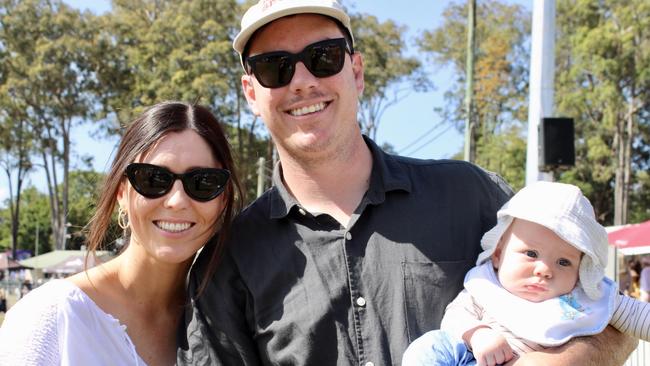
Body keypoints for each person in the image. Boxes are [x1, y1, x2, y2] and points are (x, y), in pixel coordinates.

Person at [177, 1, 636, 364]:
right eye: (274, 67)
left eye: (323, 58)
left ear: (355, 71)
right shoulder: (230, 258)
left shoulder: (471, 195)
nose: (301, 81)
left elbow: (612, 319)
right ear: (251, 92)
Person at [0, 101, 242, 365]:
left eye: (202, 183)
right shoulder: (54, 317)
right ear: (121, 193)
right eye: (153, 179)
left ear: (223, 199)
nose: (177, 201)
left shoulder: (229, 324)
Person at [402, 182, 650, 366]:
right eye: (531, 254)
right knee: (429, 346)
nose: (544, 269)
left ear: (582, 269)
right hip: (470, 356)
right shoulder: (485, 286)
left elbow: (638, 316)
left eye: (563, 262)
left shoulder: (584, 296)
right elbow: (454, 317)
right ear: (498, 254)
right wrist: (478, 335)